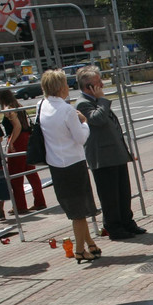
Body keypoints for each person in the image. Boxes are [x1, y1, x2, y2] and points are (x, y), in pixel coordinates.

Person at [75, 66, 145, 241]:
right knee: (110, 196)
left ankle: (127, 222)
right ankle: (114, 227)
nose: (102, 85)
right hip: (102, 158)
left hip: (115, 154)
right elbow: (97, 119)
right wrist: (102, 100)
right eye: (98, 83)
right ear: (88, 86)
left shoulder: (97, 101)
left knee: (123, 192)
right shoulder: (83, 103)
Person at [37, 69, 101, 263]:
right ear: (60, 87)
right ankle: (80, 249)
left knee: (75, 208)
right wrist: (84, 122)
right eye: (65, 84)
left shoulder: (41, 105)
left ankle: (90, 243)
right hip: (73, 162)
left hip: (55, 164)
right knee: (79, 213)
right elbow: (81, 138)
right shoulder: (67, 110)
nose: (68, 87)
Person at [0, 89, 47, 214]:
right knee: (31, 172)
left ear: (1, 98)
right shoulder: (19, 106)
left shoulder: (9, 109)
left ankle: (20, 205)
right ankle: (40, 202)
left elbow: (17, 126)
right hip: (27, 139)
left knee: (15, 176)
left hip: (18, 141)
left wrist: (11, 141)